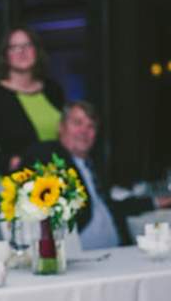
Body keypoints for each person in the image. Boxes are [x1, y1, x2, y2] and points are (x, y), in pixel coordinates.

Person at [25, 101, 171, 249]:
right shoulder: (47, 156)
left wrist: (156, 202)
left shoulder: (94, 165)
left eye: (91, 126)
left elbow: (111, 206)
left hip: (116, 250)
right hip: (80, 255)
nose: (84, 131)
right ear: (61, 127)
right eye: (77, 123)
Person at [0, 26, 65, 188]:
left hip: (49, 183)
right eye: (14, 47)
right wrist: (13, 162)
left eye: (27, 45)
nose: (22, 52)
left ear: (36, 51)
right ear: (6, 56)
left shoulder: (53, 90)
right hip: (5, 188)